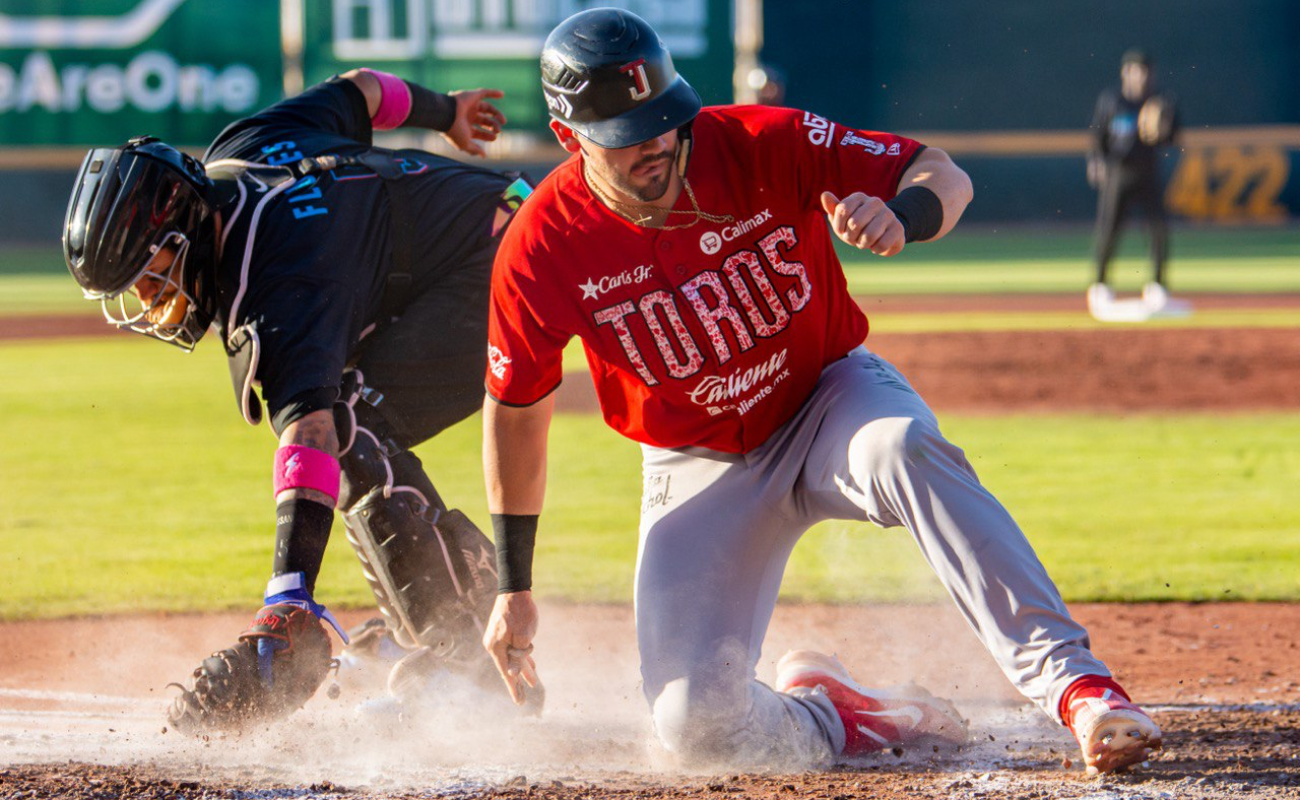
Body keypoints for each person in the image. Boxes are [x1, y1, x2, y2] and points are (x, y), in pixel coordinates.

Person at [478, 8, 1163, 776]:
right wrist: (515, 587)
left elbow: (943, 173)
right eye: (629, 132)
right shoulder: (541, 246)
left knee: (904, 445)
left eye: (665, 118)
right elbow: (516, 410)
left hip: (828, 400)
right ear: (571, 138)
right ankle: (837, 715)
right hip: (694, 458)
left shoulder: (759, 140)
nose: (660, 141)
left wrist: (903, 214)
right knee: (691, 729)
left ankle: (1080, 688)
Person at [61, 69, 541, 732]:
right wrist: (445, 110)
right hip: (504, 221)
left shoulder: (279, 279)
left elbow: (311, 435)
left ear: (183, 236)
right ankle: (430, 615)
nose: (148, 303)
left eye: (149, 278)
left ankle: (464, 655)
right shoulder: (241, 146)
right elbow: (364, 90)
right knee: (354, 414)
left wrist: (288, 598)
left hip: (511, 259)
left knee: (349, 422)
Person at [1087, 48, 1186, 321]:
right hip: (1118, 173)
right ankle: (1100, 286)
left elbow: (1172, 139)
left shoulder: (1161, 101)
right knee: (1108, 230)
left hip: (1148, 172)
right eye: (1135, 70)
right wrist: (1096, 161)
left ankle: (1157, 288)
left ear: (1151, 74)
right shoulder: (1112, 101)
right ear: (1125, 72)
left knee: (1157, 230)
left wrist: (1165, 129)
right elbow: (1097, 137)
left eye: (1145, 70)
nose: (1140, 76)